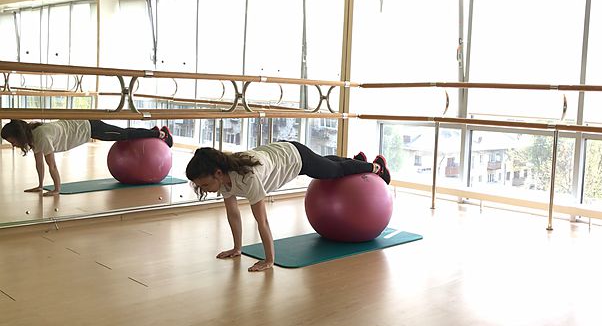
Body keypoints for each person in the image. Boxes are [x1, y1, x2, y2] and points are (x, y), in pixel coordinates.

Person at [185, 141, 391, 272]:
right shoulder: (223, 178)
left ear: (218, 173)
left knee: (334, 170)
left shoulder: (247, 177)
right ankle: (356, 162)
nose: (205, 189)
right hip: (281, 153)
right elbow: (233, 214)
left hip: (294, 157)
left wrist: (269, 260)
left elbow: (262, 221)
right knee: (324, 166)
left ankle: (375, 167)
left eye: (205, 184)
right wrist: (237, 248)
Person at [1, 119, 173, 196]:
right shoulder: (34, 137)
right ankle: (154, 132)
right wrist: (40, 186)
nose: (13, 144)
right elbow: (39, 164)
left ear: (19, 135)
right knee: (124, 134)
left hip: (90, 127)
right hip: (84, 126)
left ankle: (159, 134)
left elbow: (51, 166)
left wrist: (56, 190)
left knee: (124, 134)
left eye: (12, 141)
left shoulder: (41, 137)